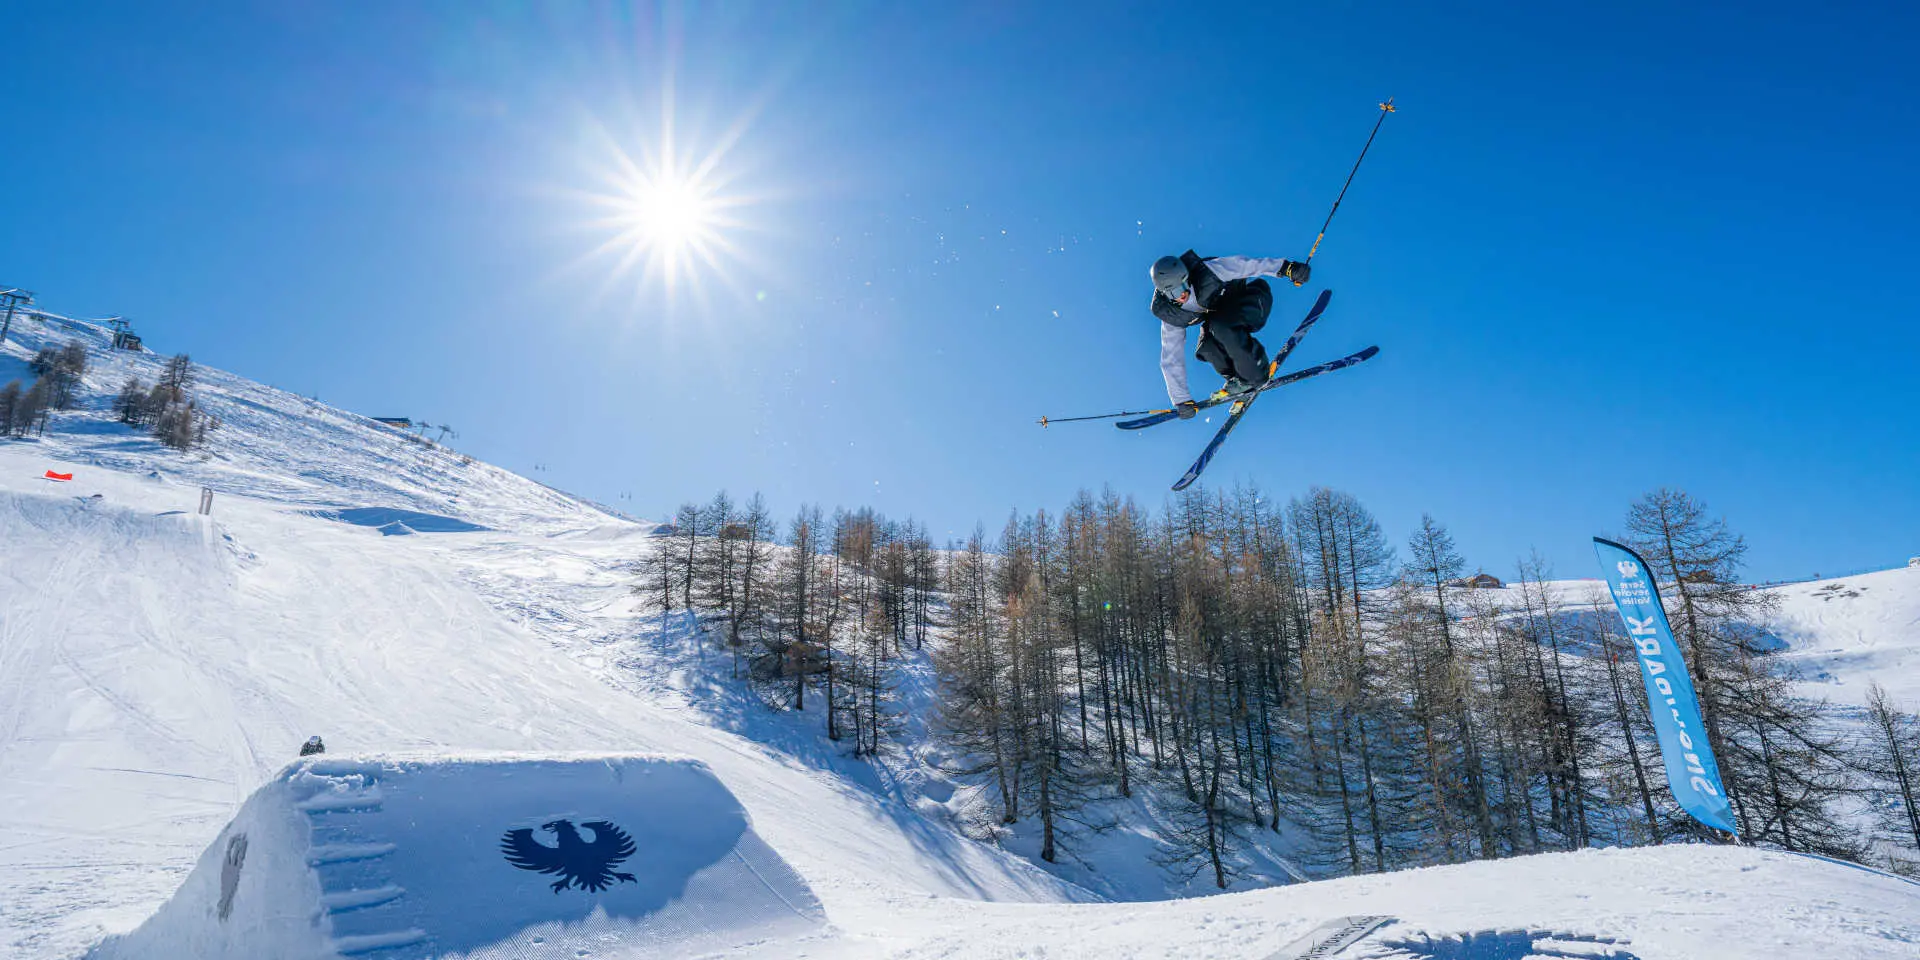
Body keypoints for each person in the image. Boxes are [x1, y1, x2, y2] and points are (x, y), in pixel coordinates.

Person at [1150, 251, 1310, 419]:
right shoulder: (1171, 314)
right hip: (1221, 322)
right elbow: (1171, 357)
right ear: (1164, 293)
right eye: (1173, 293)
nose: (1182, 294)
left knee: (1222, 326)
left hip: (1252, 301)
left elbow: (1246, 264)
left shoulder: (1208, 271)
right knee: (1207, 348)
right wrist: (1181, 400)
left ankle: (1256, 375)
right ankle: (1241, 380)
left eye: (1183, 285)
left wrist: (1287, 268)